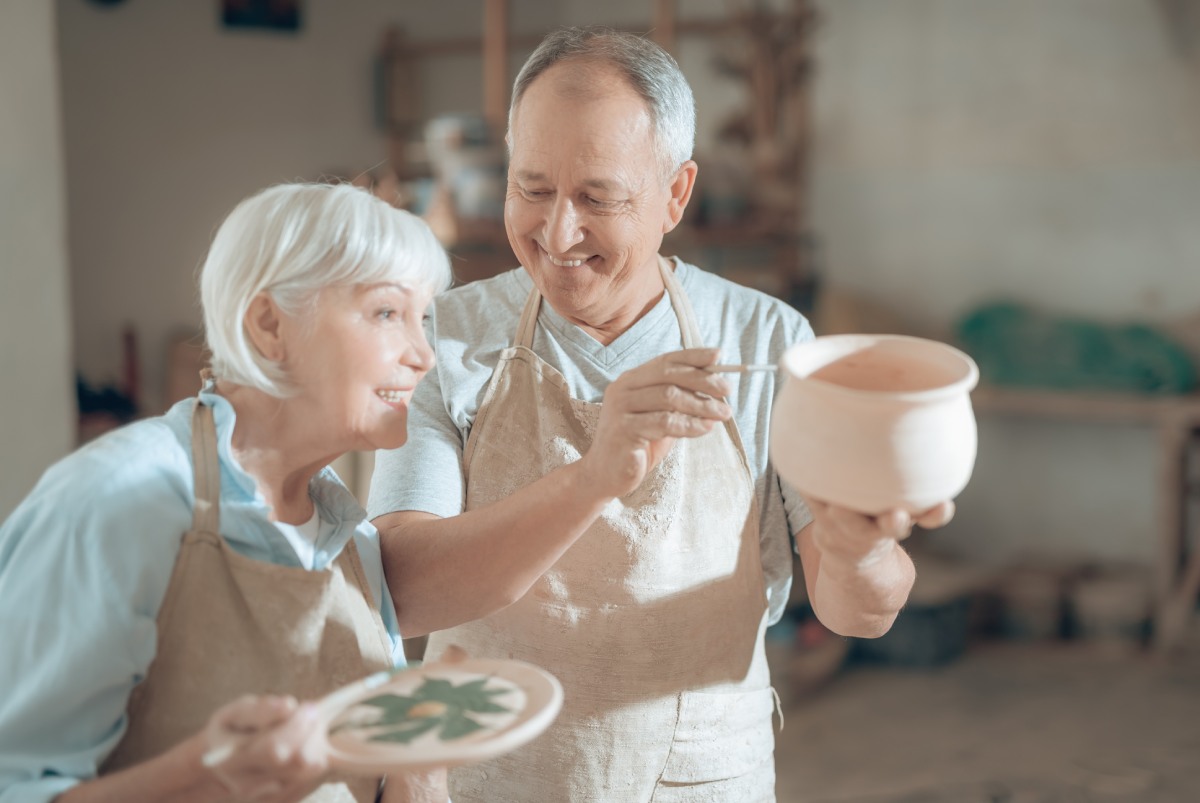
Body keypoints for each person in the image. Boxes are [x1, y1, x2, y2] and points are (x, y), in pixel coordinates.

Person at [367, 26, 955, 803]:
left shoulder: (767, 342)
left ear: (676, 194)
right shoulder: (443, 337)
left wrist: (860, 552)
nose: (557, 232)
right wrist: (592, 478)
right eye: (532, 188)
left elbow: (859, 614)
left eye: (598, 198)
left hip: (700, 776)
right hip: (491, 773)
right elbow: (405, 587)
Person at [0, 182, 464, 803]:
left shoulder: (352, 540)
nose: (424, 355)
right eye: (387, 313)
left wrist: (422, 764)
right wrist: (206, 778)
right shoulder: (117, 501)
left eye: (423, 320)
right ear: (270, 325)